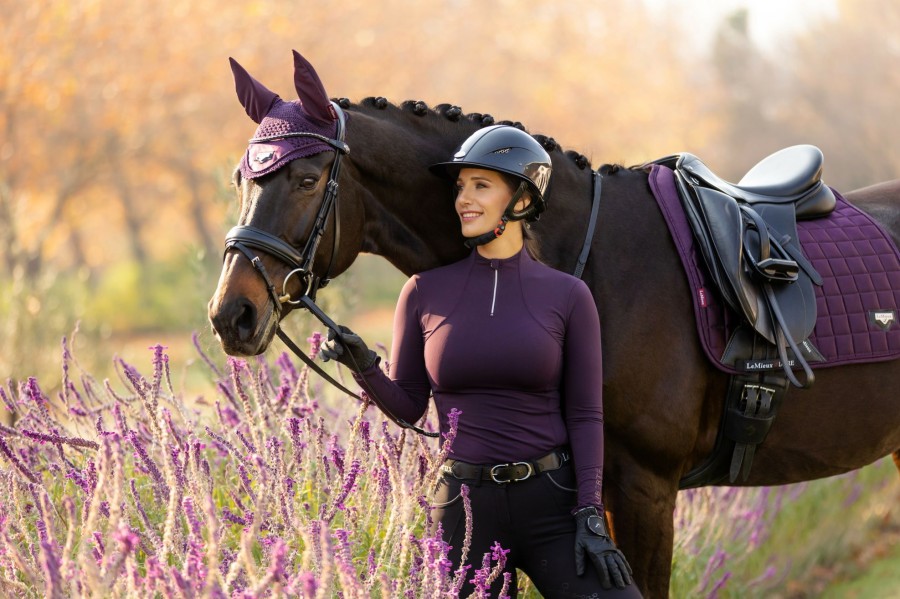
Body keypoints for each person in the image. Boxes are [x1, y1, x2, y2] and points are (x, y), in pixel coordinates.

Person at [322, 125, 641, 598]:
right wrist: (364, 365)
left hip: (552, 503)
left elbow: (585, 413)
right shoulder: (423, 292)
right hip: (462, 512)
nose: (463, 200)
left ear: (521, 200)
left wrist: (590, 511)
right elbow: (409, 406)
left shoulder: (569, 296)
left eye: (481, 185)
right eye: (460, 187)